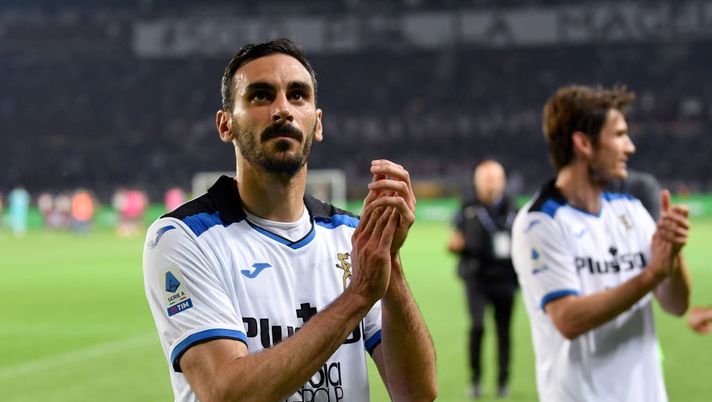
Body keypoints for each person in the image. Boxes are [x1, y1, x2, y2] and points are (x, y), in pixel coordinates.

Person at [143, 38, 437, 402]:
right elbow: (227, 393)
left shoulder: (350, 236)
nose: (282, 109)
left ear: (317, 123)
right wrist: (359, 294)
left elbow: (417, 394)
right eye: (261, 96)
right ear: (225, 125)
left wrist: (390, 265)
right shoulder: (184, 237)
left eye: (298, 95)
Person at [511, 85, 691, 402]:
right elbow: (568, 318)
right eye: (619, 135)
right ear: (583, 143)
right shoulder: (539, 223)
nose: (630, 147)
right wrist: (650, 275)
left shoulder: (631, 210)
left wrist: (672, 258)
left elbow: (676, 304)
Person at [447, 160, 517, 399]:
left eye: (494, 179)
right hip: (476, 278)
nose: (490, 184)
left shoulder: (512, 209)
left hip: (506, 279)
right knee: (477, 327)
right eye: (485, 179)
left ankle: (502, 381)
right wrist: (455, 245)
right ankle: (475, 380)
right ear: (477, 182)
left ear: (502, 181)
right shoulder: (467, 207)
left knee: (503, 331)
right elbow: (454, 238)